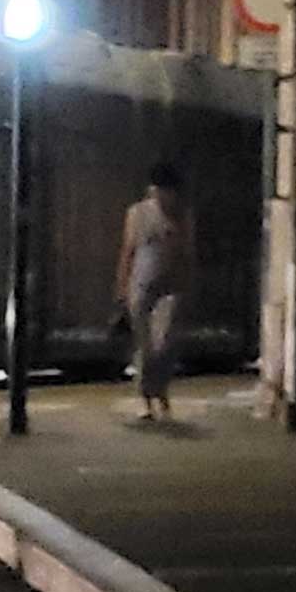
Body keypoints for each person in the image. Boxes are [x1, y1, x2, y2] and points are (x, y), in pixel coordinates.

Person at [115, 162, 195, 421]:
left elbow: (187, 253)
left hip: (171, 287)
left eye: (169, 191)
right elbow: (128, 250)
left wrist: (187, 282)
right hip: (140, 286)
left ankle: (161, 390)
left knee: (165, 343)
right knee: (145, 346)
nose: (165, 196)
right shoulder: (138, 213)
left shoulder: (183, 215)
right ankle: (147, 399)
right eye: (161, 190)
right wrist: (121, 286)